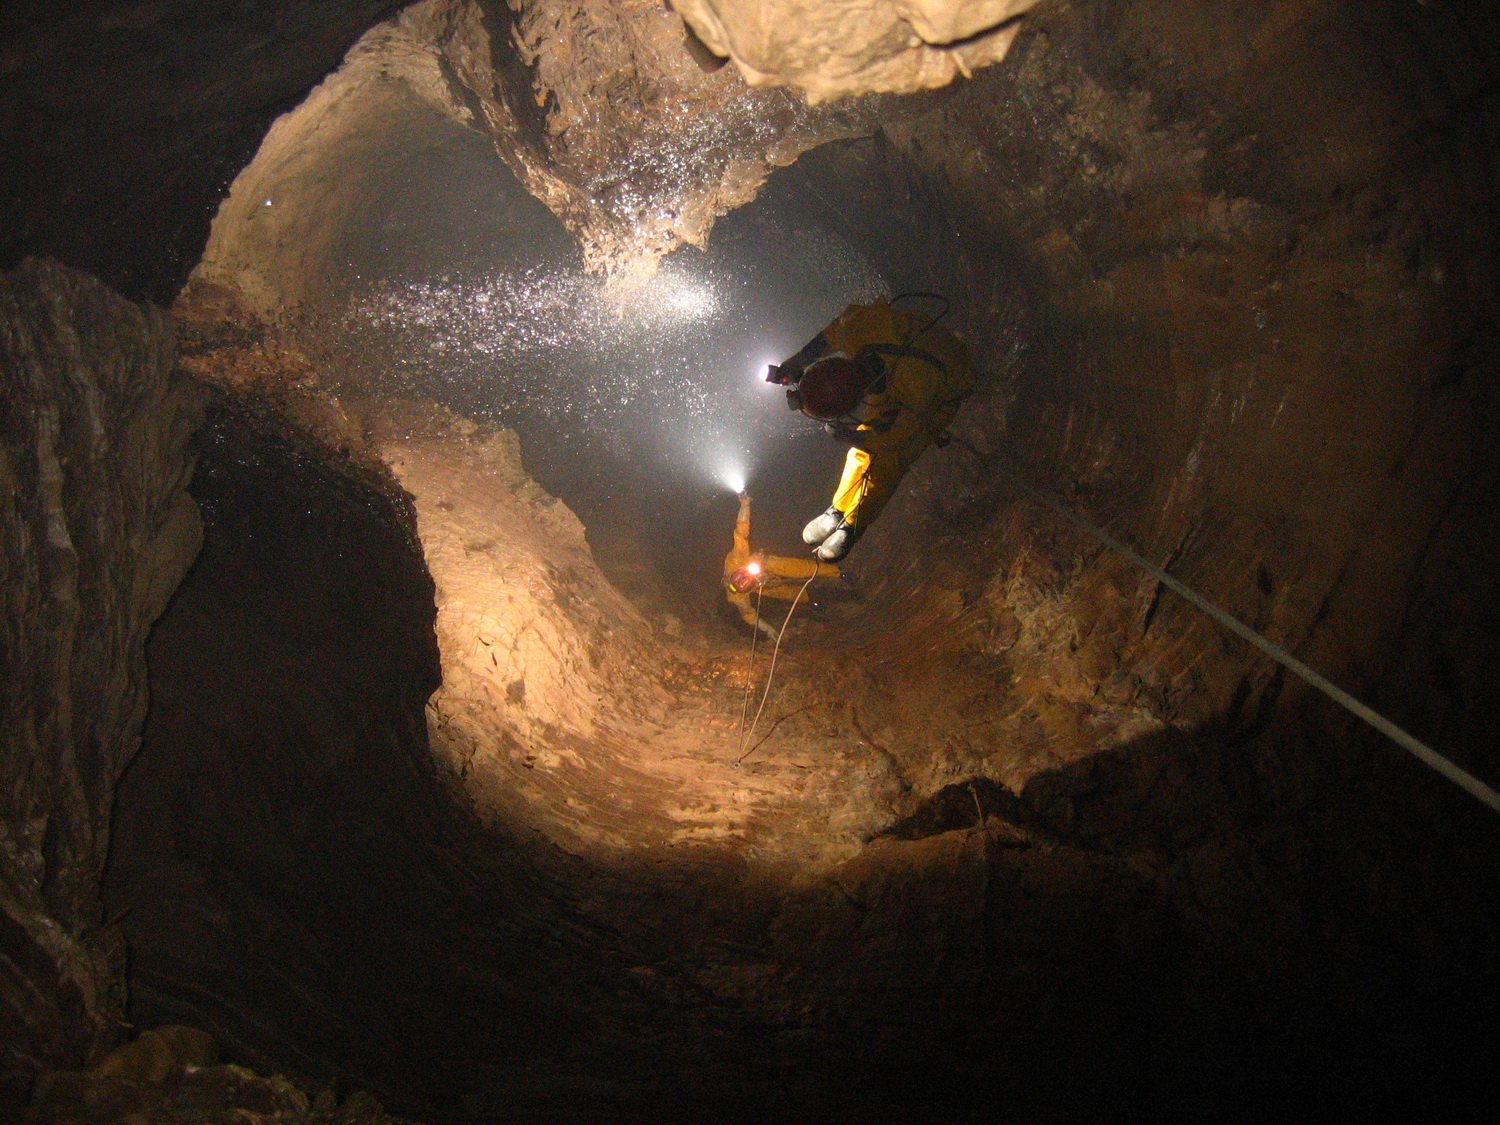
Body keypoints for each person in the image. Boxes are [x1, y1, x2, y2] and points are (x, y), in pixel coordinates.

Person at [767, 295, 975, 561]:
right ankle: (839, 509)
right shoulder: (860, 329)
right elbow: (831, 335)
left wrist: (856, 435)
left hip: (944, 384)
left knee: (888, 461)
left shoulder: (917, 387)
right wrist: (798, 361)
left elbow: (894, 439)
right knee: (860, 451)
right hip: (894, 369)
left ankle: (855, 523)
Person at [724, 491, 840, 637]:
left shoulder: (736, 560)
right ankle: (811, 600)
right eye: (747, 582)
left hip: (762, 563)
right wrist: (768, 629)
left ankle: (837, 572)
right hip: (761, 585)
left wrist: (745, 505)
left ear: (739, 571)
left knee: (797, 568)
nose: (748, 577)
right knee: (786, 593)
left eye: (745, 574)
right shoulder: (738, 598)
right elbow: (749, 615)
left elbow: (741, 530)